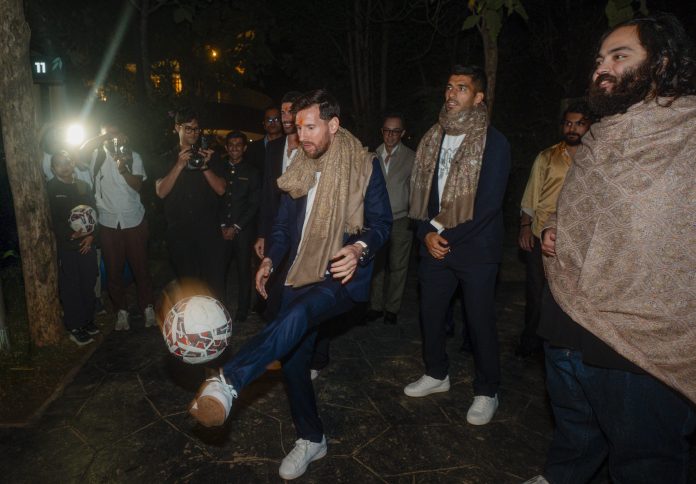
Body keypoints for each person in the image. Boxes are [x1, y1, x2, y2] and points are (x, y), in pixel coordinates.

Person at [187, 89, 391, 480]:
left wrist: (359, 248)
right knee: (294, 363)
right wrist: (269, 259)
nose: (302, 136)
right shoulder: (300, 164)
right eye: (298, 128)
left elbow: (381, 224)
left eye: (311, 127)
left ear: (334, 124)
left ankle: (229, 381)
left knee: (297, 315)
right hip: (298, 272)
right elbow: (282, 225)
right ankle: (311, 438)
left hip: (338, 274)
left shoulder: (364, 165)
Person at [533, 14, 696, 484]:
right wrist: (557, 228)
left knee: (645, 461)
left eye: (620, 56)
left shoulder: (687, 134)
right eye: (600, 59)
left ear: (661, 63)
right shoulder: (599, 137)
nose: (602, 68)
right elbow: (580, 208)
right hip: (567, 315)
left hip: (640, 340)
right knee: (574, 434)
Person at [404, 65, 510, 427]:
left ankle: (487, 390)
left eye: (461, 88)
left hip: (476, 249)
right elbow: (420, 196)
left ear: (478, 97)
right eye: (449, 87)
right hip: (434, 244)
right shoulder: (433, 137)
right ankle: (436, 372)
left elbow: (489, 204)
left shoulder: (494, 142)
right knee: (431, 315)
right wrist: (425, 233)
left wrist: (441, 236)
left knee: (479, 321)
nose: (451, 94)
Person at [515, 101, 593, 358]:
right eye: (568, 123)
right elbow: (531, 194)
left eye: (579, 124)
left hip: (579, 239)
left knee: (570, 295)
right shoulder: (547, 156)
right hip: (541, 234)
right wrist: (525, 227)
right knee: (536, 293)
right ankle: (530, 344)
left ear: (589, 126)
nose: (573, 128)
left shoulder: (596, 158)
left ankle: (566, 345)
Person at [79, 120, 155, 331]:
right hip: (108, 221)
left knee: (141, 268)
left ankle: (148, 308)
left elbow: (138, 185)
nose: (112, 139)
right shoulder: (96, 156)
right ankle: (122, 311)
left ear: (124, 136)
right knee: (113, 271)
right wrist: (103, 138)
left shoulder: (133, 156)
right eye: (107, 135)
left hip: (133, 219)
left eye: (116, 134)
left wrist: (123, 169)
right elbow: (79, 153)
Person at [155, 108, 227, 299]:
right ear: (177, 128)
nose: (193, 133)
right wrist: (179, 165)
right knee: (188, 286)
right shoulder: (166, 158)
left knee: (215, 285)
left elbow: (221, 189)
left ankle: (216, 317)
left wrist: (204, 166)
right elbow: (161, 192)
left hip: (208, 232)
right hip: (180, 234)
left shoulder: (210, 156)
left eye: (196, 129)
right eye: (188, 129)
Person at [254, 91, 302, 321]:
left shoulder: (310, 148)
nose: (285, 117)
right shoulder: (273, 148)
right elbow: (266, 194)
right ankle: (274, 330)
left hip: (302, 229)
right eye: (283, 112)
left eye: (291, 111)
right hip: (276, 230)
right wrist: (262, 233)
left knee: (297, 289)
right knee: (272, 287)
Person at [365, 113, 416, 325]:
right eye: (387, 130)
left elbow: (416, 190)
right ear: (382, 131)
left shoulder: (411, 157)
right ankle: (375, 305)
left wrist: (414, 215)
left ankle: (392, 308)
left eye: (395, 131)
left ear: (402, 133)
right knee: (376, 265)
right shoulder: (371, 155)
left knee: (398, 266)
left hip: (401, 219)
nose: (390, 135)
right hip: (376, 221)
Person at [46, 151, 99, 345]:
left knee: (89, 281)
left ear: (73, 163)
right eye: (59, 164)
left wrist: (92, 236)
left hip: (87, 243)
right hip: (67, 246)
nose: (65, 167)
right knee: (71, 286)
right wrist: (71, 234)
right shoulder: (50, 188)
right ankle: (74, 326)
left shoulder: (83, 185)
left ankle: (87, 320)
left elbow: (94, 212)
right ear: (53, 168)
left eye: (67, 162)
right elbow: (51, 218)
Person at [219, 131, 261, 322]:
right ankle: (218, 308)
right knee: (219, 271)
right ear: (226, 147)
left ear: (244, 148)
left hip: (243, 231)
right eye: (231, 144)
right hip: (220, 230)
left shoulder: (252, 172)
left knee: (244, 271)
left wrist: (236, 227)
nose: (234, 148)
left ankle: (243, 310)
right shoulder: (219, 169)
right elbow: (215, 200)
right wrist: (222, 225)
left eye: (238, 144)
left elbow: (254, 204)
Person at [245, 105, 283, 178]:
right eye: (269, 120)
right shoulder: (253, 148)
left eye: (276, 119)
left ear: (281, 122)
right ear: (264, 124)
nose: (273, 123)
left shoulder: (290, 145)